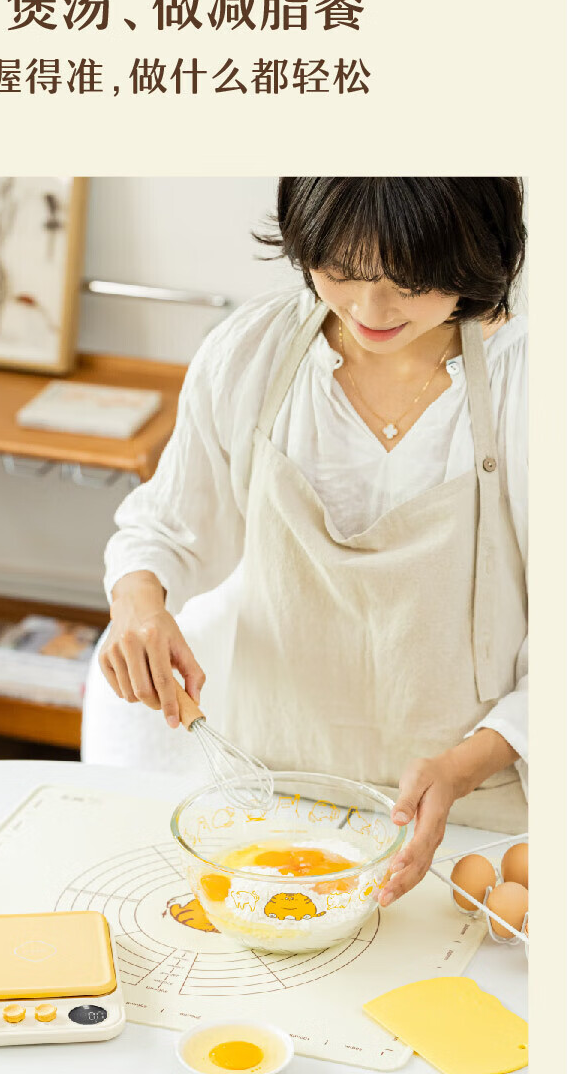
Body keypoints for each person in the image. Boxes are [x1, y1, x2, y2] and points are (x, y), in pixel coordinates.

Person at [96, 177, 527, 905]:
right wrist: (139, 603)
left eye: (410, 282)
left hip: (467, 814)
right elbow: (165, 526)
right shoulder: (252, 354)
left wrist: (464, 766)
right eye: (343, 271)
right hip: (268, 797)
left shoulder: (531, 384)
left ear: (475, 252)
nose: (370, 310)